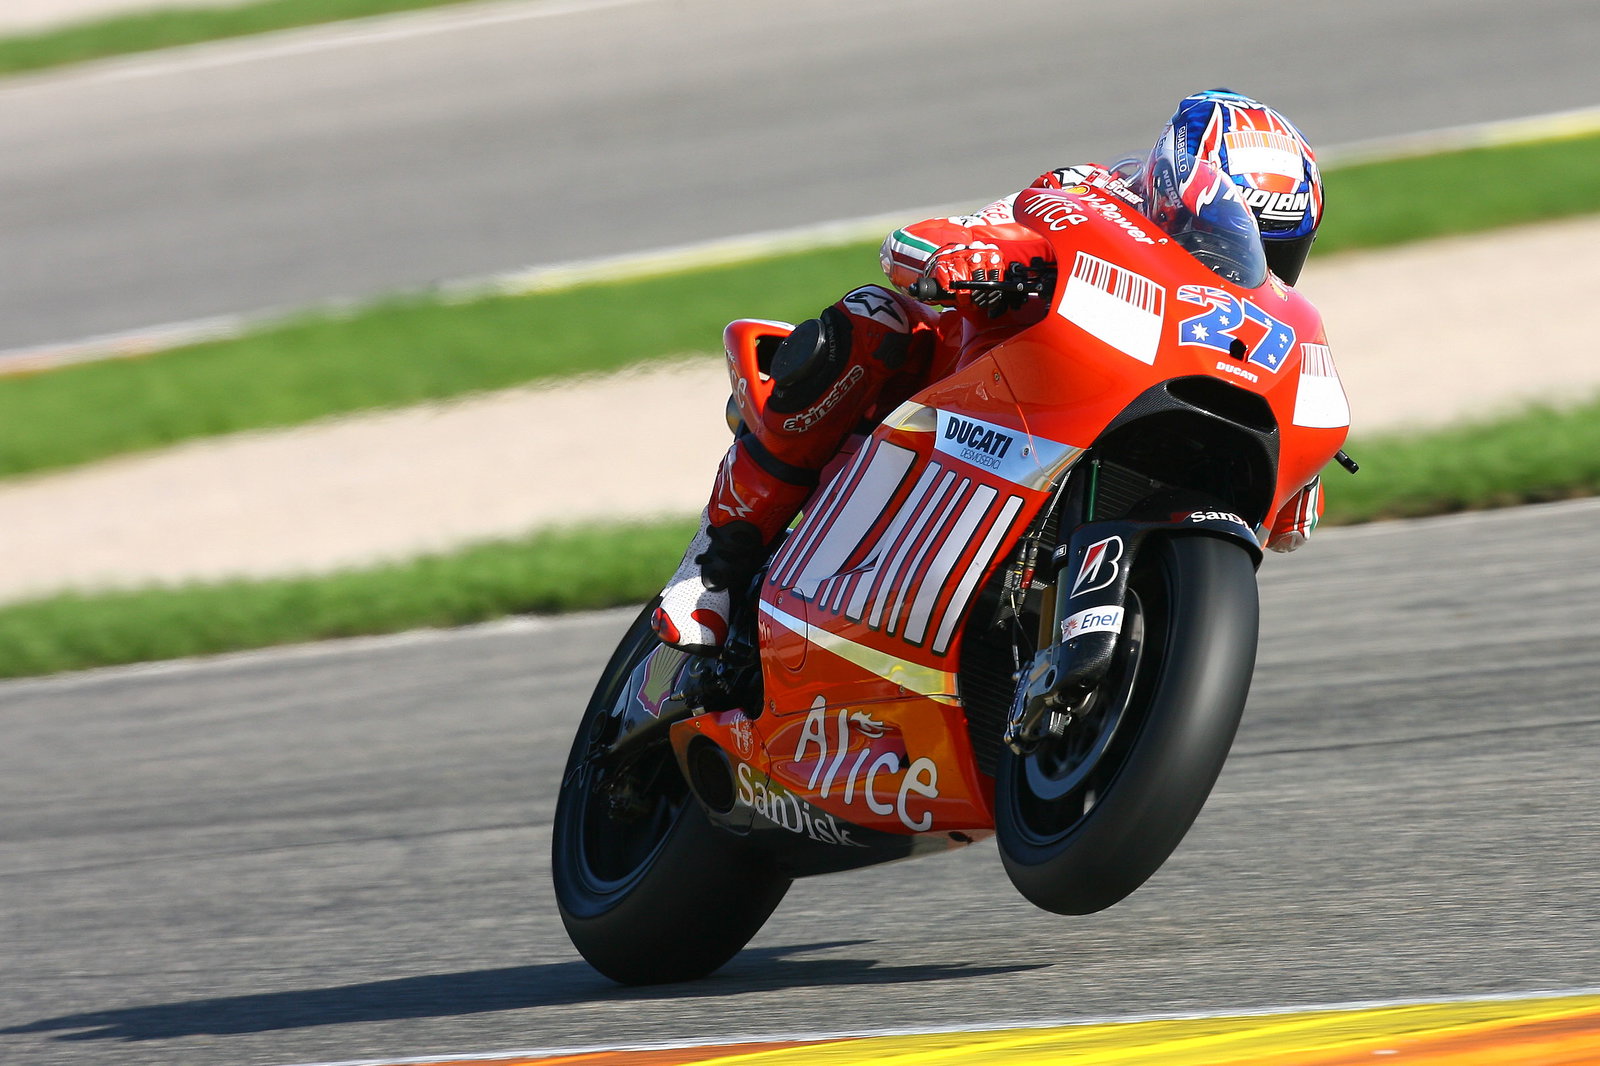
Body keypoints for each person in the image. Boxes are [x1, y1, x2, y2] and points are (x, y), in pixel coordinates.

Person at [652, 89, 1328, 655]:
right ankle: (717, 561)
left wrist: (1295, 462)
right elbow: (917, 244)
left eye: (1277, 249)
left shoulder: (1262, 318)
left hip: (1115, 409)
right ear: (1175, 191)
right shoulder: (1084, 195)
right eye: (1232, 232)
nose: (1245, 258)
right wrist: (974, 258)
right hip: (961, 396)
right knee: (875, 322)